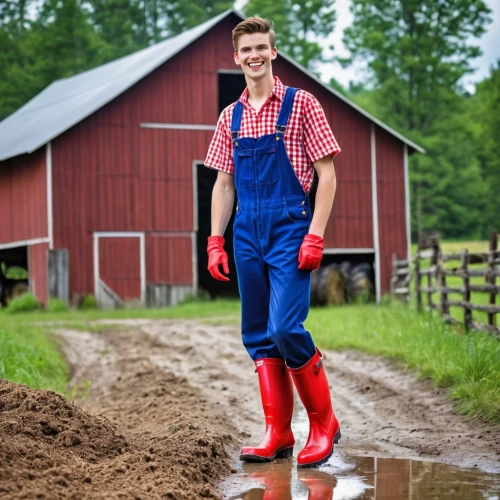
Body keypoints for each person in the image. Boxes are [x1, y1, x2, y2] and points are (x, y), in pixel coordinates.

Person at [204, 16, 341, 468]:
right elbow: (224, 185)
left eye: (261, 47)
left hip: (290, 227)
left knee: (285, 328)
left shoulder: (301, 104)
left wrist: (315, 235)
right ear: (236, 57)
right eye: (246, 50)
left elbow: (327, 175)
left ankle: (323, 425)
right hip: (246, 230)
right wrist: (215, 241)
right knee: (259, 336)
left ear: (274, 52)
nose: (254, 56)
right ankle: (278, 431)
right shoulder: (232, 116)